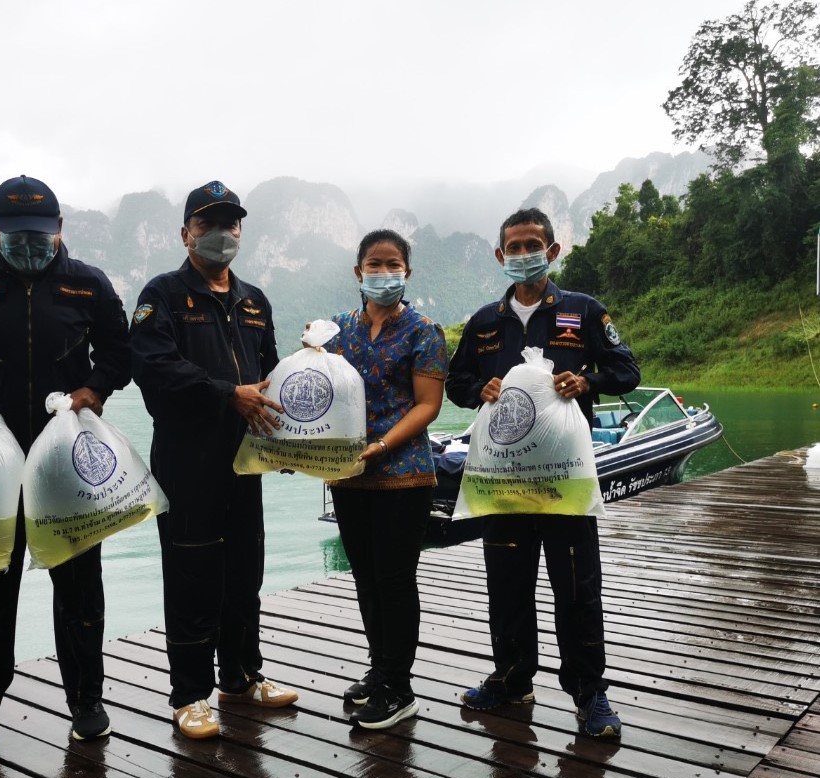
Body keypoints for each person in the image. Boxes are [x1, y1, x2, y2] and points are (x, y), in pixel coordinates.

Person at [0, 175, 131, 765]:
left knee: (80, 586)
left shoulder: (88, 284)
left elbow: (120, 352)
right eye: (16, 237)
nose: (30, 246)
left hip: (65, 460)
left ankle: (87, 704)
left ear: (61, 230)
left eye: (41, 236)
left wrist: (94, 389)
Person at [444, 207, 639, 739]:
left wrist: (587, 382)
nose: (523, 253)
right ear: (499, 255)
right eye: (514, 245)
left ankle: (589, 691)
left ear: (552, 251)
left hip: (564, 476)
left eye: (534, 244)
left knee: (577, 585)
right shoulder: (486, 322)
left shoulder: (583, 311)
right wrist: (477, 391)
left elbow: (627, 369)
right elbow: (456, 382)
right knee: (506, 583)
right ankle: (511, 677)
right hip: (503, 479)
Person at [129, 180, 298, 740]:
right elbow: (154, 370)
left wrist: (291, 438)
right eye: (208, 225)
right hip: (187, 459)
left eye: (231, 224)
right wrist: (228, 393)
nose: (221, 234)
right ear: (185, 234)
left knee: (244, 571)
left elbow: (271, 376)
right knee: (192, 575)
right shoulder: (163, 296)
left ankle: (242, 676)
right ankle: (190, 695)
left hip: (244, 461)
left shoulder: (255, 300)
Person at [321, 229, 447, 730]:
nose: (383, 272)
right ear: (358, 271)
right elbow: (318, 394)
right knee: (366, 579)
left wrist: (383, 446)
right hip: (348, 476)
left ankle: (400, 686)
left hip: (403, 475)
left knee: (394, 580)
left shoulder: (424, 331)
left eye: (393, 264)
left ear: (407, 273)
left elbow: (428, 405)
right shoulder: (334, 331)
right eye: (374, 263)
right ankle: (380, 671)